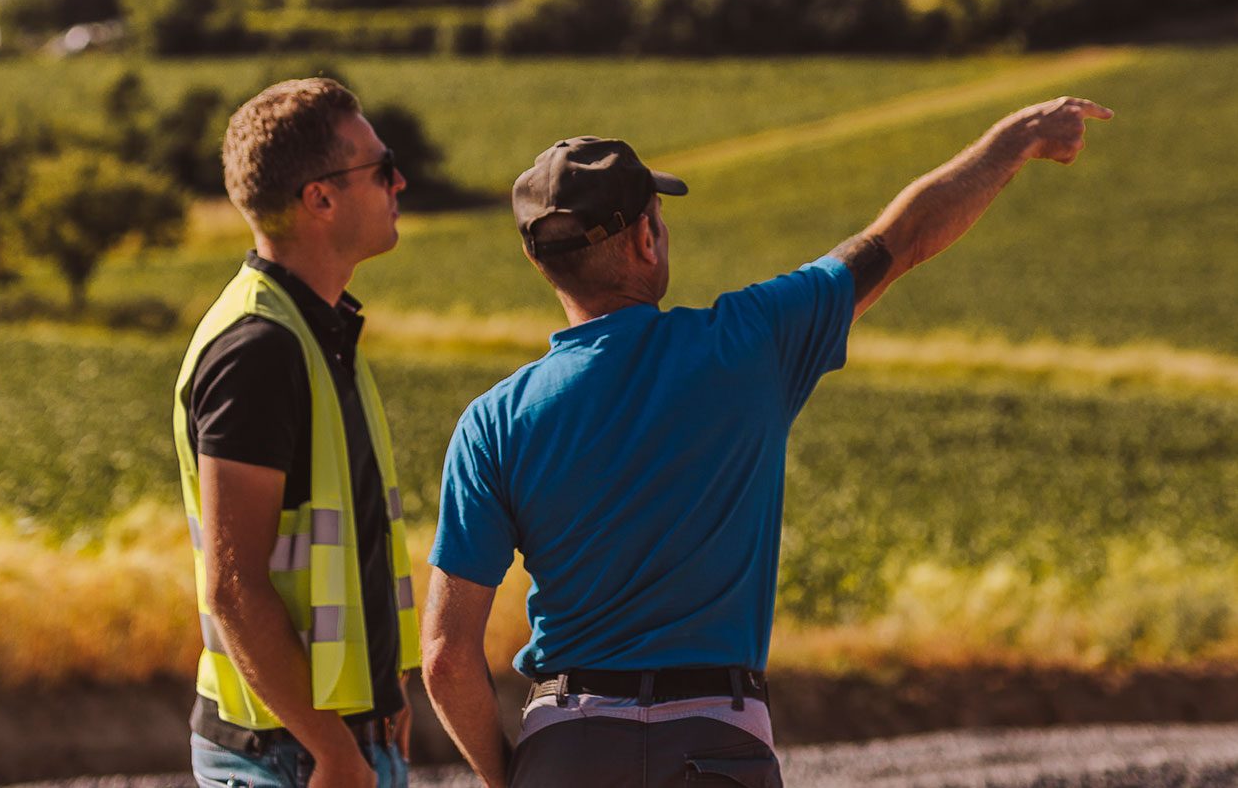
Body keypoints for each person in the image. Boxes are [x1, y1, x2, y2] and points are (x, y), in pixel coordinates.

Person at [420, 96, 1113, 788]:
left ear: (537, 258)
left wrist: (508, 777)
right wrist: (1015, 140)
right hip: (716, 746)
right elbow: (902, 238)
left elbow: (447, 659)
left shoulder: (493, 421)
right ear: (647, 238)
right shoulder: (750, 342)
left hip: (566, 748)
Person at [171, 78, 421, 788]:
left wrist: (386, 693)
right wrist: (336, 751)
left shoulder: (320, 329)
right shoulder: (260, 347)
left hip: (324, 744)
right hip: (292, 756)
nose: (398, 180)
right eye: (381, 167)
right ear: (321, 198)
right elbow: (233, 583)